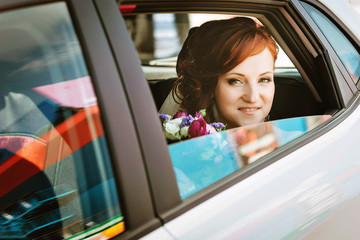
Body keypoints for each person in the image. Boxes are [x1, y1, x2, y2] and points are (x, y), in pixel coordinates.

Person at [159, 17, 278, 129]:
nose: (253, 97)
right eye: (235, 81)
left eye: (264, 79)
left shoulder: (292, 141)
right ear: (210, 85)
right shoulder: (186, 145)